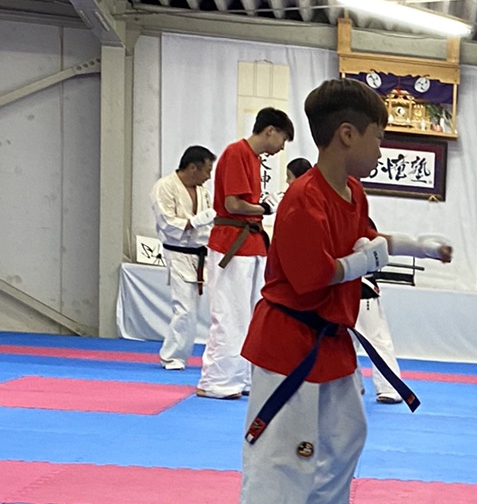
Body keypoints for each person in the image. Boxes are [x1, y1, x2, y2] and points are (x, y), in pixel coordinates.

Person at [236, 81, 452, 504]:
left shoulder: (352, 192)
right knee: (284, 445)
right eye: (379, 137)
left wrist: (418, 246)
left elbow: (368, 240)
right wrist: (363, 262)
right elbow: (314, 276)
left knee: (346, 433)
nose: (381, 149)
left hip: (330, 338)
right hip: (289, 340)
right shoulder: (302, 199)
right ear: (348, 135)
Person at [287, 155, 404, 406]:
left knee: (374, 339)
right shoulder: (313, 209)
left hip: (360, 289)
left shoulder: (354, 208)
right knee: (342, 342)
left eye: (289, 179)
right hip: (338, 291)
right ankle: (353, 384)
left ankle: (389, 387)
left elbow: (375, 250)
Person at [198, 107, 294, 398]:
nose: (281, 148)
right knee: (229, 314)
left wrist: (262, 208)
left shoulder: (252, 158)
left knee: (252, 316)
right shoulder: (236, 153)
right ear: (270, 131)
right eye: (283, 139)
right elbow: (233, 204)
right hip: (232, 243)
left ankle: (241, 378)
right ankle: (217, 381)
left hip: (251, 242)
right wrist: (265, 208)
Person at [150, 145, 215, 369]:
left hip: (201, 254)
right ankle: (171, 356)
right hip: (178, 253)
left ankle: (180, 354)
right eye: (207, 170)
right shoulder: (164, 187)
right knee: (184, 308)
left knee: (193, 310)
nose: (209, 176)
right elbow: (166, 222)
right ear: (193, 167)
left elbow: (209, 224)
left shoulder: (202, 191)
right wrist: (195, 221)